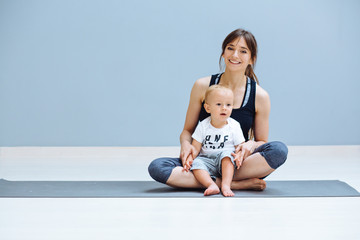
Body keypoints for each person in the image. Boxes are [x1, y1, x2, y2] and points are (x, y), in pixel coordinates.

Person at [148, 28, 288, 191]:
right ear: (223, 53)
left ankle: (212, 181)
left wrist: (250, 145)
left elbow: (262, 142)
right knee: (157, 167)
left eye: (243, 51)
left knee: (279, 150)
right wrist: (186, 146)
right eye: (230, 48)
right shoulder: (202, 86)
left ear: (251, 59)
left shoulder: (260, 96)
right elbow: (187, 131)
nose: (235, 55)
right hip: (202, 162)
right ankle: (230, 184)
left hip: (236, 163)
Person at [183, 85, 245, 197]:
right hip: (207, 160)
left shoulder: (234, 126)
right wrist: (190, 159)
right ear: (208, 108)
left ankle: (226, 185)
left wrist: (239, 155)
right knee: (197, 163)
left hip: (226, 161)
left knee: (227, 155)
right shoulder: (203, 126)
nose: (224, 108)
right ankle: (211, 184)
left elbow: (240, 146)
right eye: (219, 104)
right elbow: (196, 147)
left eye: (228, 105)